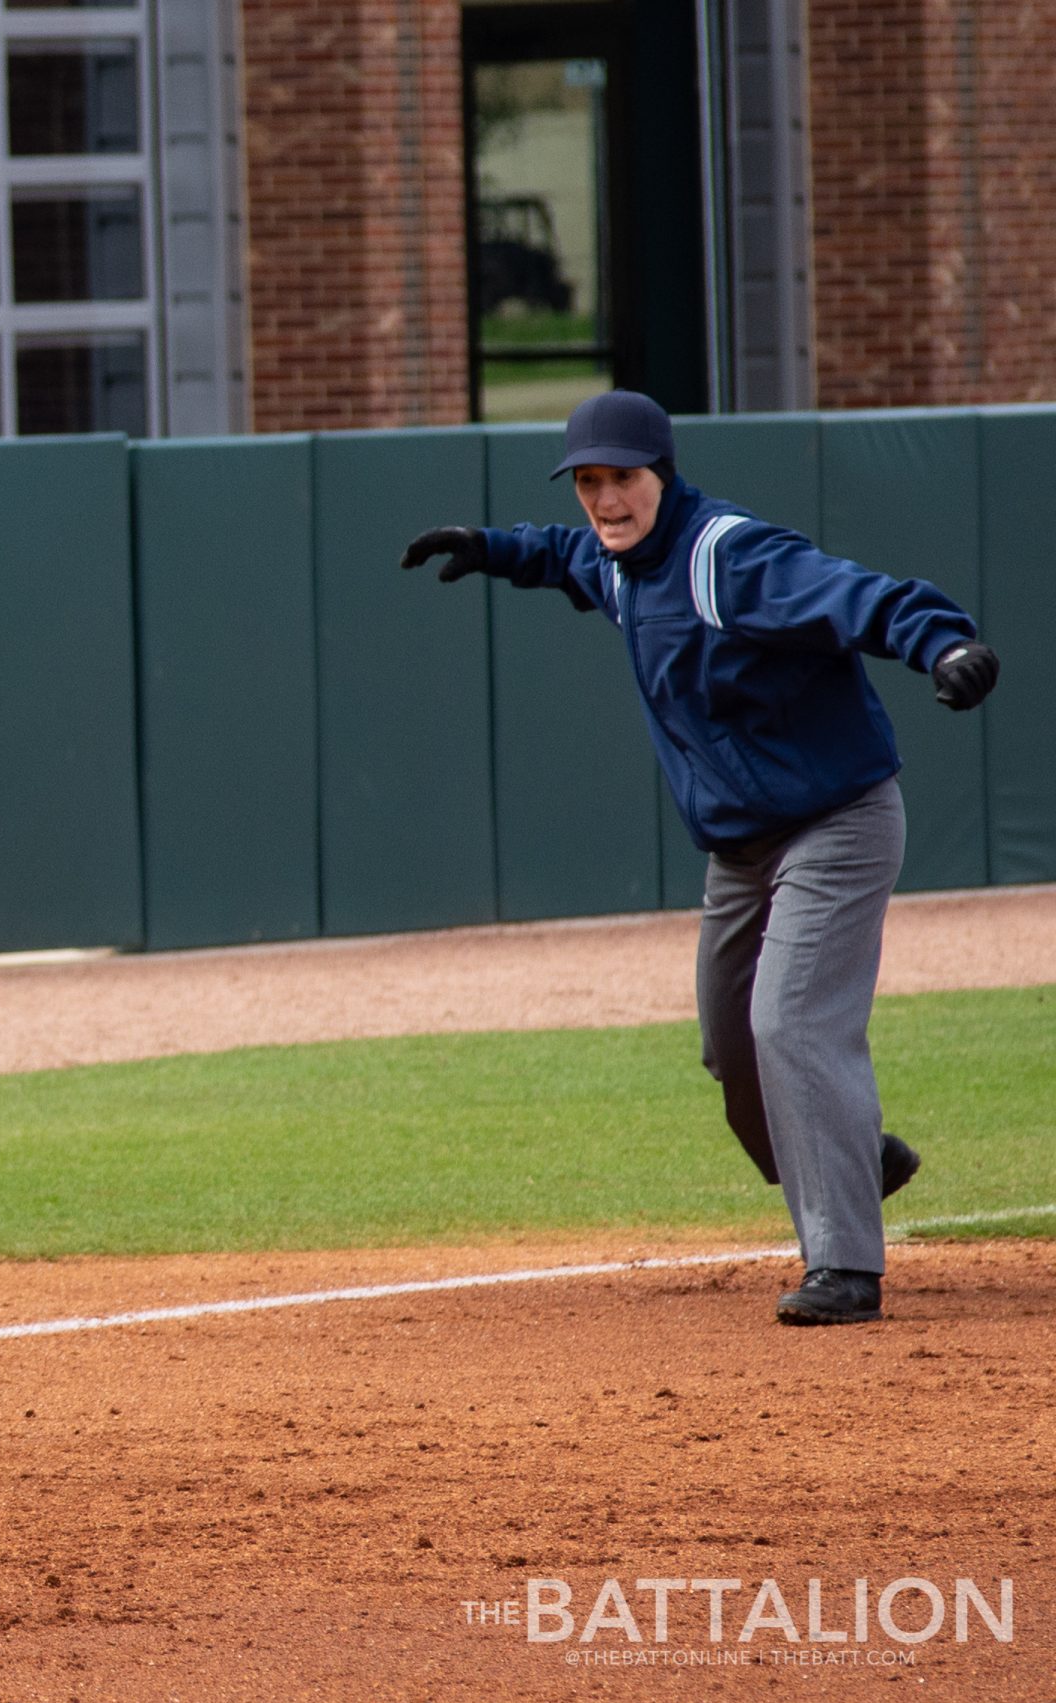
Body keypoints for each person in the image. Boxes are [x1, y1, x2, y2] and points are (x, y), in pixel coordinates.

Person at [400, 390, 999, 1328]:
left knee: (792, 1021)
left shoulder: (726, 558)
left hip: (836, 823)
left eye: (622, 479)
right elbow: (567, 559)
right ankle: (856, 1157)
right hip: (740, 851)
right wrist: (491, 548)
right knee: (734, 1047)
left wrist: (944, 641)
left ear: (662, 475)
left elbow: (855, 595)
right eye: (589, 482)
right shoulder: (622, 563)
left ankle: (844, 1267)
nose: (604, 499)